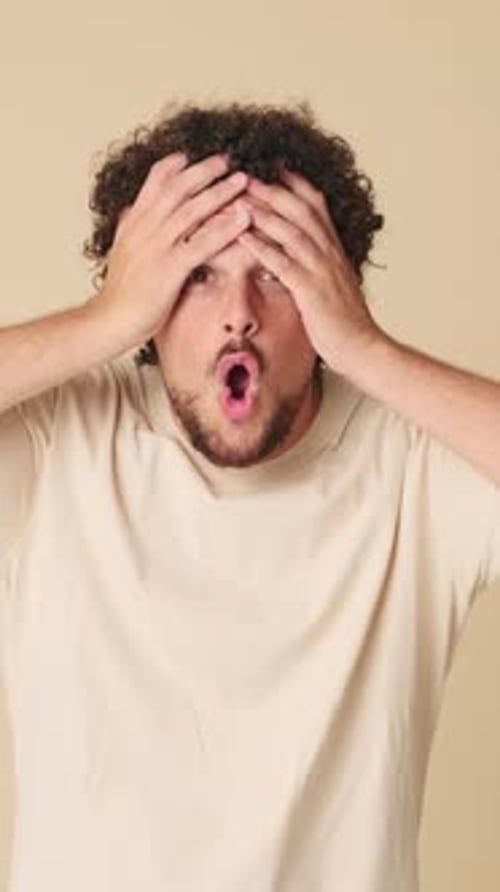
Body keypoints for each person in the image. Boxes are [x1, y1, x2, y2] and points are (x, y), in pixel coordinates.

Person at [0, 99, 498, 892]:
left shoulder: (416, 465)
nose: (239, 317)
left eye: (276, 273)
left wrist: (369, 350)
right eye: (197, 276)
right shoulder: (59, 439)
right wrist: (107, 318)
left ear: (334, 290)